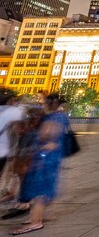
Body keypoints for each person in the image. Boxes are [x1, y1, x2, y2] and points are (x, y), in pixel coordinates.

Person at [11, 93, 68, 235]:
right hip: (48, 159)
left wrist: (39, 152)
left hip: (45, 160)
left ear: (52, 103)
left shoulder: (55, 118)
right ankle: (37, 217)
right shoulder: (57, 116)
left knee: (39, 191)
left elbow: (48, 137)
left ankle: (36, 222)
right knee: (41, 190)